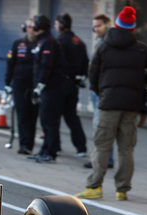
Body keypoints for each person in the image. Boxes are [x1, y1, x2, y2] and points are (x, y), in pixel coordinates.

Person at [76, 6, 147, 201]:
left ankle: (94, 186)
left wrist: (102, 90)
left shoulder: (104, 47)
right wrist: (142, 81)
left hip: (108, 103)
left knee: (102, 145)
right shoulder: (142, 49)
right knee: (126, 148)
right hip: (132, 105)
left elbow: (93, 73)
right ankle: (122, 190)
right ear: (132, 28)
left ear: (116, 25)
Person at [28, 14, 65, 163]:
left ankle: (50, 152)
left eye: (34, 25)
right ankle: (46, 149)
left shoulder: (48, 42)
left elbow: (46, 66)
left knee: (49, 121)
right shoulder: (43, 41)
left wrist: (40, 85)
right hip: (47, 87)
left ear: (38, 27)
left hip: (51, 88)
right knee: (45, 121)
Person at [54, 13, 88, 157]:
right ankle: (81, 147)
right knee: (72, 116)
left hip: (60, 83)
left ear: (61, 25)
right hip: (73, 84)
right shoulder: (79, 41)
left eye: (56, 24)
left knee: (53, 116)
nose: (55, 27)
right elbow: (86, 62)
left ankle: (54, 146)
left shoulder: (59, 41)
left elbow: (55, 62)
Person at [4, 18, 38, 155]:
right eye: (28, 27)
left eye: (33, 27)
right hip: (19, 84)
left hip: (34, 85)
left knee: (33, 115)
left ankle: (29, 144)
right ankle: (24, 144)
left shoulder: (41, 44)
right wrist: (7, 83)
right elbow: (10, 63)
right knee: (22, 114)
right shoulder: (18, 44)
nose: (31, 29)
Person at [85, 13, 114, 169]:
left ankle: (100, 159)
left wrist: (96, 86)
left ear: (107, 25)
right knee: (102, 126)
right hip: (97, 88)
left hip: (102, 90)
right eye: (94, 26)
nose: (96, 29)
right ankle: (106, 158)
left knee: (100, 126)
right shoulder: (100, 41)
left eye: (99, 26)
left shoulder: (108, 43)